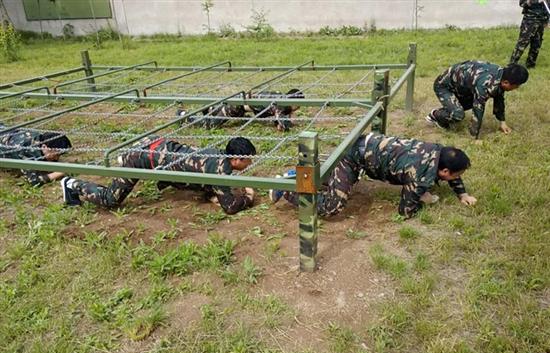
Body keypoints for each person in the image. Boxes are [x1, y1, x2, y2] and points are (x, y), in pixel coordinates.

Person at [269, 133, 477, 219]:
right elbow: (405, 211)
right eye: (456, 175)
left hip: (362, 144)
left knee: (326, 178)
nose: (457, 178)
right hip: (353, 158)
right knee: (333, 206)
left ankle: (293, 176)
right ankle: (285, 188)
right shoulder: (421, 174)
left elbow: (452, 171)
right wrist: (424, 200)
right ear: (444, 172)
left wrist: (462, 194)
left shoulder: (438, 151)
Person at [61, 136, 256, 215]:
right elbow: (230, 207)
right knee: (110, 199)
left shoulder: (216, 155)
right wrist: (248, 196)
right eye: (248, 160)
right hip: (140, 158)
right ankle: (72, 184)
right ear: (236, 159)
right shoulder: (220, 169)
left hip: (156, 147)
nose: (250, 163)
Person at [426, 61, 529, 139]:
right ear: (505, 82)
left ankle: (450, 109)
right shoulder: (485, 83)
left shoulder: (500, 75)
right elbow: (478, 109)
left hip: (462, 88)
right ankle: (435, 115)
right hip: (444, 87)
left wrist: (502, 122)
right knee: (458, 114)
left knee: (465, 105)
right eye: (516, 86)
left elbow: (499, 97)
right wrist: (474, 137)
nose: (517, 88)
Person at [176, 88, 304, 131]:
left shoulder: (280, 99)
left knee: (217, 112)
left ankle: (210, 109)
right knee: (211, 125)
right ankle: (183, 116)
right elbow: (282, 124)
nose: (299, 107)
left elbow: (277, 117)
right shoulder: (281, 104)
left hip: (242, 106)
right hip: (237, 106)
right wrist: (286, 124)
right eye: (299, 104)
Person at [0, 127, 72, 186]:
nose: (56, 158)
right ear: (44, 147)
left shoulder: (40, 139)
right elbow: (33, 181)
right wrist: (60, 173)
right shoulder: (26, 151)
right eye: (56, 154)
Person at [510, 0, 549, 69]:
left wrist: (547, 20)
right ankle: (512, 65)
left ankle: (530, 64)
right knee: (523, 43)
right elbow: (522, 3)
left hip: (541, 20)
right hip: (530, 20)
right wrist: (537, 1)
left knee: (536, 44)